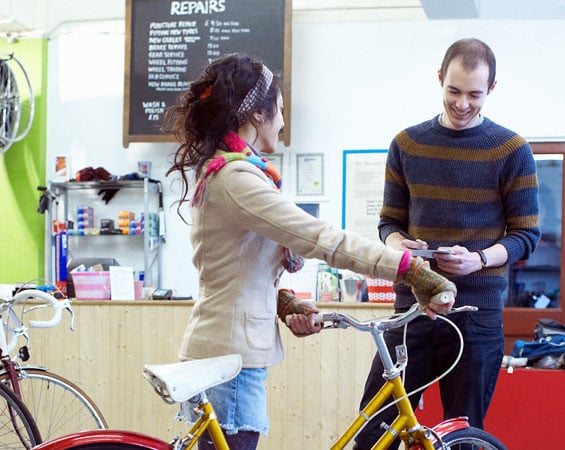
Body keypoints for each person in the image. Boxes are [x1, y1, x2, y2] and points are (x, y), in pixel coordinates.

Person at [163, 53, 457, 450]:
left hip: (223, 349)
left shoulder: (223, 172)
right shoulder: (236, 178)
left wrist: (284, 304)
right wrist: (412, 270)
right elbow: (323, 239)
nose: (283, 121)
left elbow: (231, 271)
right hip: (230, 359)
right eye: (280, 110)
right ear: (257, 115)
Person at [353, 38, 541, 449]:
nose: (462, 103)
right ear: (439, 78)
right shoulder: (407, 144)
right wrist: (402, 243)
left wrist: (477, 260)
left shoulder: (511, 150)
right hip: (412, 310)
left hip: (475, 315)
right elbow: (389, 223)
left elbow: (526, 236)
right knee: (375, 427)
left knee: (464, 436)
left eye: (474, 94)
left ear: (491, 88)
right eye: (453, 91)